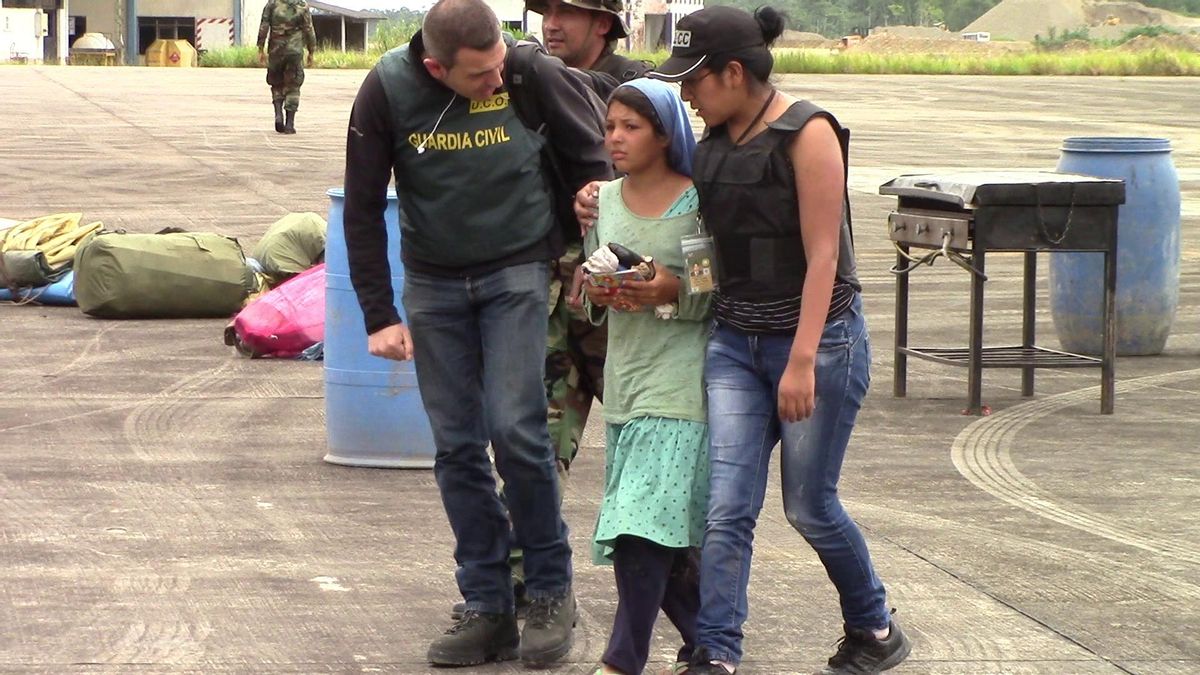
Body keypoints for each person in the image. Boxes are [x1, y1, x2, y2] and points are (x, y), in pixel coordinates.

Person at [341, 0, 611, 667]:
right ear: (436, 66)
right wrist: (378, 313)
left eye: (498, 68)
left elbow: (594, 161)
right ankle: (487, 603)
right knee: (458, 446)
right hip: (433, 287)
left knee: (517, 429)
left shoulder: (527, 71)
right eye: (478, 76)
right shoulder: (386, 89)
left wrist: (591, 205)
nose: (495, 82)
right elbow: (362, 204)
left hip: (516, 272)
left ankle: (549, 589)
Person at [648, 7, 912, 675]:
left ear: (734, 73)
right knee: (726, 505)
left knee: (808, 504)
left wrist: (801, 362)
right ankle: (716, 652)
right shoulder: (710, 144)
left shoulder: (809, 132)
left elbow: (825, 256)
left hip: (818, 344)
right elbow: (703, 241)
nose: (686, 95)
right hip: (735, 343)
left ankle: (875, 627)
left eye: (695, 81)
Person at [580, 78, 708, 675]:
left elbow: (711, 294)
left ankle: (621, 660)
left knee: (638, 524)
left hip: (682, 386)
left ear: (665, 133)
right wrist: (599, 290)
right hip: (626, 384)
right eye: (610, 126)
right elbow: (588, 293)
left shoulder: (698, 201)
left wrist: (667, 290)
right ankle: (710, 640)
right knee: (658, 534)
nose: (616, 138)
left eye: (631, 127)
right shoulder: (602, 202)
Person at [522, 0, 654, 479]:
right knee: (533, 449)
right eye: (546, 12)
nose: (551, 24)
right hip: (551, 290)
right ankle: (523, 554)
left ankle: (673, 558)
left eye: (566, 13)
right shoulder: (530, 81)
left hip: (614, 291)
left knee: (649, 448)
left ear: (603, 23)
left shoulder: (636, 85)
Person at [256, 0, 316, 134]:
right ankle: (289, 124)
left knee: (276, 83)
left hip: (275, 50)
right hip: (294, 52)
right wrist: (311, 51)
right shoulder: (302, 5)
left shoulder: (272, 3)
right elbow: (309, 29)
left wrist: (260, 48)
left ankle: (278, 114)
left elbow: (264, 26)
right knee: (293, 86)